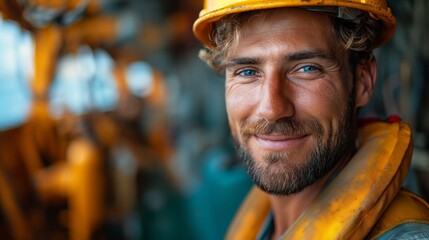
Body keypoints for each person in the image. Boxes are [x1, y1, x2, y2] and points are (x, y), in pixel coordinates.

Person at [192, 0, 429, 239]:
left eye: (306, 69)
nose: (272, 109)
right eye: (247, 72)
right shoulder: (262, 227)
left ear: (363, 81)